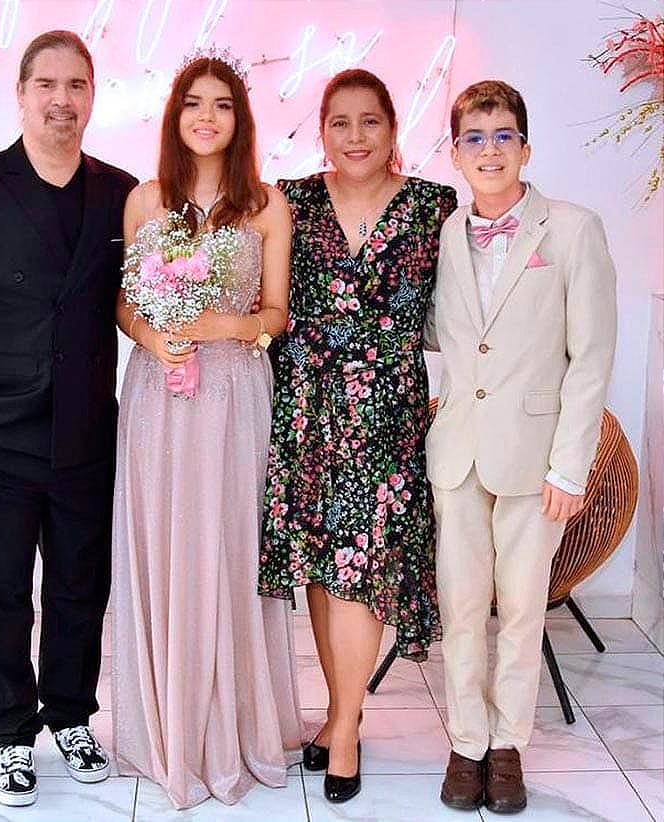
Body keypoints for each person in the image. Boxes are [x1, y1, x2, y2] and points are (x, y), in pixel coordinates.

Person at [0, 31, 137, 807]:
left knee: (79, 589)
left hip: (86, 436)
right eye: (47, 84)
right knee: (1, 596)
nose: (61, 100)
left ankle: (70, 716)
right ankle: (10, 734)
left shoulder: (122, 194)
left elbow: (136, 303)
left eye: (77, 85)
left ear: (92, 96)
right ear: (21, 94)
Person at [111, 48, 303, 810]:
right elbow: (125, 303)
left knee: (228, 546)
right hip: (157, 394)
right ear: (174, 114)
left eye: (222, 104)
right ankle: (166, 722)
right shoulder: (144, 199)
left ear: (240, 119)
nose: (206, 116)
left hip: (232, 394)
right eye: (194, 102)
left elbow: (277, 315)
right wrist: (150, 335)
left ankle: (234, 725)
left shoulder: (267, 205)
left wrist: (228, 323)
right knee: (164, 544)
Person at [258, 68, 457, 804]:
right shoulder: (290, 199)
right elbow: (263, 294)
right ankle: (342, 714)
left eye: (369, 121)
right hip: (307, 408)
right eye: (339, 123)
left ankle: (343, 730)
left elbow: (464, 306)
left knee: (362, 567)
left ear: (393, 128)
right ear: (322, 132)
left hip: (387, 414)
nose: (355, 136)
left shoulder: (434, 207)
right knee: (320, 564)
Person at [426, 80, 617, 814]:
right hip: (458, 454)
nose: (490, 150)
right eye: (474, 138)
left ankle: (508, 746)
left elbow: (590, 359)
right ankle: (466, 742)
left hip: (538, 460)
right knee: (460, 608)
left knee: (523, 610)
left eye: (503, 135)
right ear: (455, 154)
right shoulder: (444, 235)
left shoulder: (572, 230)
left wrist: (571, 465)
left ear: (526, 148)